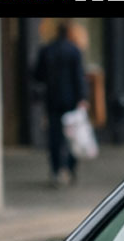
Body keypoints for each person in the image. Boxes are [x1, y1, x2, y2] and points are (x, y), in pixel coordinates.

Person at [31, 22, 87, 187]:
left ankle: (56, 169)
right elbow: (79, 76)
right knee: (72, 135)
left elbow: (37, 75)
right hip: (71, 100)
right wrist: (82, 98)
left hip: (53, 99)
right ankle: (70, 168)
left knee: (54, 137)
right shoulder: (74, 51)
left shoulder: (47, 50)